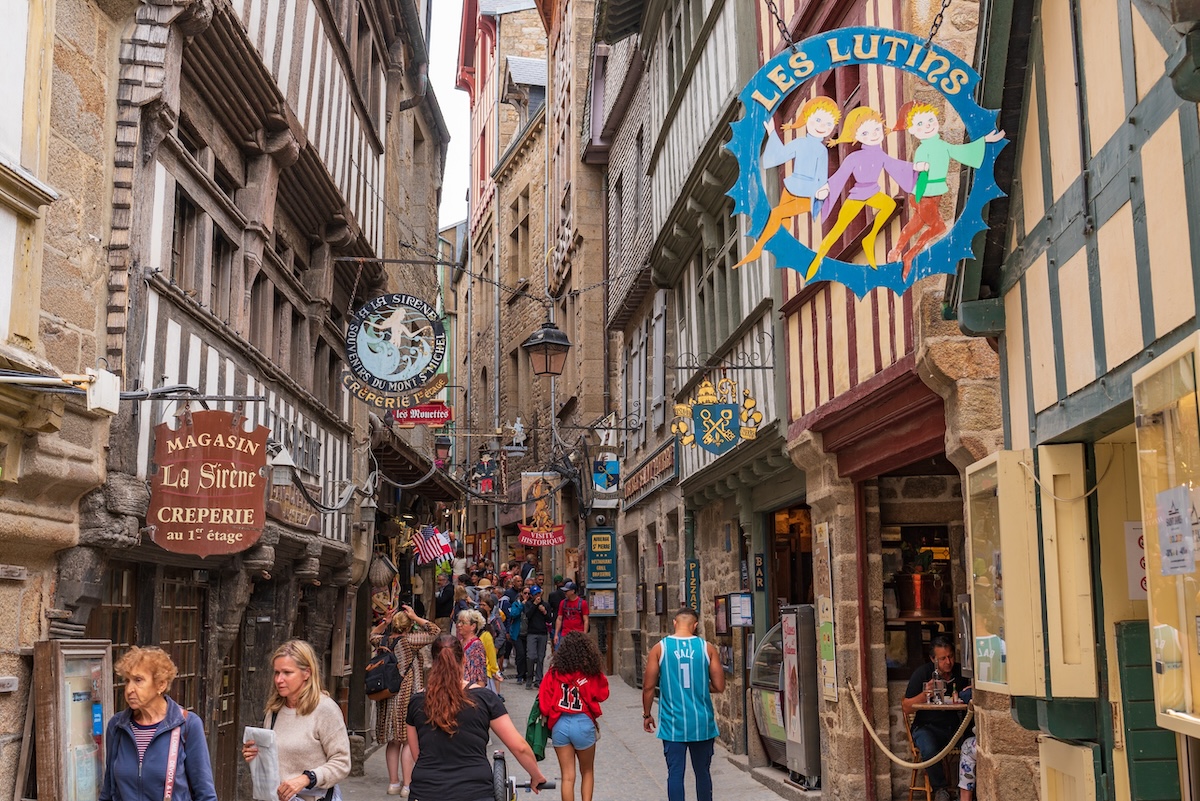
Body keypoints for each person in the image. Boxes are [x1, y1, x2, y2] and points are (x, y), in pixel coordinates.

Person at [406, 635, 547, 800]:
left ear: (433, 661)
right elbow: (519, 747)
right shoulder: (484, 698)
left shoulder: (417, 702)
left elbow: (417, 754)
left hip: (426, 791)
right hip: (475, 791)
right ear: (464, 659)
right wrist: (536, 775)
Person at [888, 102, 1005, 278]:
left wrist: (985, 140)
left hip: (932, 195)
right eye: (920, 124)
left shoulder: (942, 145)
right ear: (912, 130)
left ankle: (896, 251)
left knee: (916, 224)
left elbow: (962, 151)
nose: (927, 125)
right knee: (939, 227)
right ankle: (910, 254)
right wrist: (920, 167)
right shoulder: (923, 149)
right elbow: (917, 168)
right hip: (925, 194)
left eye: (930, 120)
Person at [808, 106, 922, 278]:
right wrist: (825, 189)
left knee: (889, 205)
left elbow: (895, 165)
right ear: (857, 136)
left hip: (873, 193)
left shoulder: (880, 154)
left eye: (876, 129)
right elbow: (840, 176)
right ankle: (817, 260)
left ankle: (870, 238)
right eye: (866, 133)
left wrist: (915, 167)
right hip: (857, 196)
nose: (874, 134)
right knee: (838, 229)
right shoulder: (854, 158)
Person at [733, 96, 842, 268]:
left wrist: (822, 190)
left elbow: (822, 175)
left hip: (808, 193)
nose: (822, 126)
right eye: (818, 120)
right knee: (785, 221)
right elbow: (778, 157)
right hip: (792, 187)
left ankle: (757, 249)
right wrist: (771, 133)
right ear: (807, 118)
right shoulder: (799, 143)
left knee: (776, 214)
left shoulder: (822, 151)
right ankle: (781, 250)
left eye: (828, 124)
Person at [100, 646, 217, 801]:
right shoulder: (117, 726)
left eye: (138, 680)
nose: (129, 689)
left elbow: (205, 794)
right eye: (127, 681)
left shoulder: (187, 724)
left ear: (161, 685)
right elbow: (108, 790)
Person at [243, 640, 351, 801]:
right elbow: (276, 760)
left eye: (287, 673)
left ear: (306, 673)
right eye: (276, 673)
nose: (279, 679)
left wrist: (308, 778)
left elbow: (342, 763)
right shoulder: (274, 710)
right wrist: (255, 755)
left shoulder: (325, 709)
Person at [642, 608, 725, 801]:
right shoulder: (707, 648)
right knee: (703, 773)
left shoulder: (660, 648)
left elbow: (648, 687)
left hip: (673, 724)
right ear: (695, 626)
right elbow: (719, 686)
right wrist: (701, 687)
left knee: (676, 773)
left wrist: (647, 715)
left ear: (674, 623)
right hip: (701, 722)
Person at [369, 604, 442, 797]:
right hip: (408, 695)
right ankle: (407, 785)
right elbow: (435, 631)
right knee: (409, 740)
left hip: (386, 695)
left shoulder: (382, 640)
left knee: (393, 742)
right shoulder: (411, 640)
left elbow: (371, 635)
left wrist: (385, 621)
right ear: (409, 626)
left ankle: (393, 783)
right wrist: (416, 617)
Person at [539, 632, 610, 801]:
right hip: (583, 723)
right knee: (587, 771)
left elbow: (544, 704)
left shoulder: (554, 673)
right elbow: (603, 694)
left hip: (560, 724)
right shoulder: (590, 672)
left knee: (567, 777)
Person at [902, 635, 971, 801]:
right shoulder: (923, 673)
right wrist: (925, 694)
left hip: (954, 728)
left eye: (951, 656)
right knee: (929, 746)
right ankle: (940, 789)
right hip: (927, 726)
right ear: (933, 659)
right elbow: (906, 707)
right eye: (942, 658)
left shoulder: (961, 673)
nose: (948, 662)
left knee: (974, 744)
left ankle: (970, 791)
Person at [524, 584, 553, 688]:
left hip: (542, 633)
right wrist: (535, 605)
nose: (538, 596)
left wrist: (545, 612)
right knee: (531, 656)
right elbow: (528, 615)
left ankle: (539, 679)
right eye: (535, 594)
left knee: (541, 658)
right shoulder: (528, 604)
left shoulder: (546, 604)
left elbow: (549, 619)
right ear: (532, 595)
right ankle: (529, 677)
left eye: (539, 594)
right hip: (532, 633)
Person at [456, 608, 489, 686]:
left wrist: (478, 692)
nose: (459, 625)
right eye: (459, 622)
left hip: (470, 688)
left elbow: (481, 673)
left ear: (473, 626)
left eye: (463, 623)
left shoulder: (477, 645)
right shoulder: (460, 642)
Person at [553, 581, 589, 647]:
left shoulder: (582, 603)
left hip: (578, 634)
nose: (565, 593)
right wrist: (556, 634)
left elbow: (585, 620)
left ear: (572, 591)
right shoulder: (563, 603)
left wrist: (585, 634)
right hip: (565, 634)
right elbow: (559, 619)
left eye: (566, 591)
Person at [509, 585, 529, 684]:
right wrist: (522, 605)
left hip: (528, 632)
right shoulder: (516, 604)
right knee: (520, 654)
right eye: (525, 593)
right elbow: (513, 614)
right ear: (521, 593)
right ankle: (520, 675)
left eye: (529, 593)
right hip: (517, 633)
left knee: (527, 655)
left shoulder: (531, 604)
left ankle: (526, 674)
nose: (527, 595)